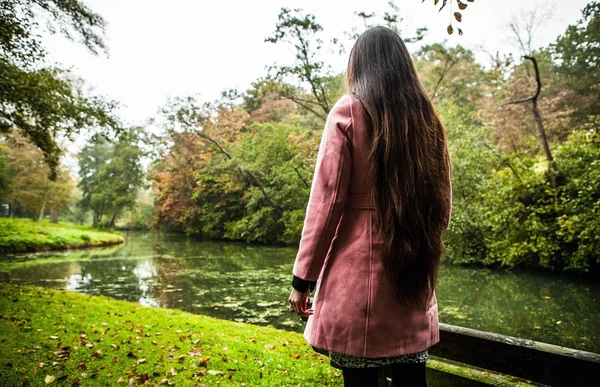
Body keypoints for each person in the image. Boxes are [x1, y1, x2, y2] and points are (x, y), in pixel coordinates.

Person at [287, 26, 453, 387]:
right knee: (412, 381)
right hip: (412, 280)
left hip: (356, 287)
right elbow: (442, 213)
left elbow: (326, 203)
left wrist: (303, 279)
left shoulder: (347, 112)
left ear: (358, 66)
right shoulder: (428, 120)